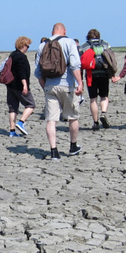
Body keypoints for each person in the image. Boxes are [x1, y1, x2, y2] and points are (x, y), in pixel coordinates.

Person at [35, 23, 83, 159]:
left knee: (51, 120)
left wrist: (45, 87)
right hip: (68, 86)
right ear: (64, 31)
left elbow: (38, 73)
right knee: (72, 117)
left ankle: (54, 151)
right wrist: (80, 82)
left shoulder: (42, 45)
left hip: (50, 86)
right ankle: (73, 146)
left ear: (52, 32)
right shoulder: (70, 42)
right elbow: (74, 65)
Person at [79, 29, 113, 130]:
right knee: (104, 96)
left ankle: (96, 122)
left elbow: (80, 63)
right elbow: (111, 59)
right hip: (104, 73)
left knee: (93, 98)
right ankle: (103, 113)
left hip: (91, 75)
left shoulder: (84, 46)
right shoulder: (106, 44)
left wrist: (80, 79)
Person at [5, 36, 35, 137]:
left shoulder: (12, 55)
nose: (28, 48)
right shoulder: (21, 57)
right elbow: (21, 72)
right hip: (18, 86)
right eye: (27, 46)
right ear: (22, 45)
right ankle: (21, 122)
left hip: (10, 85)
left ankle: (12, 131)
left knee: (13, 108)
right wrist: (25, 85)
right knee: (31, 104)